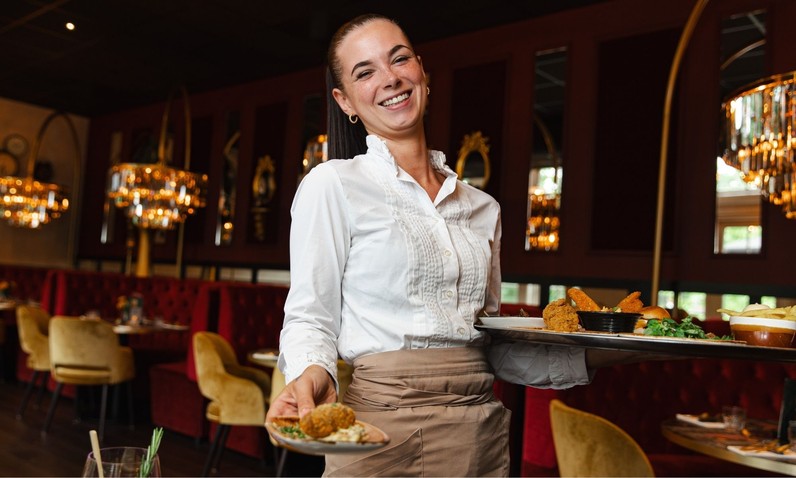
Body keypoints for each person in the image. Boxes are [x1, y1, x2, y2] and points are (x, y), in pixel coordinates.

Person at [267, 13, 646, 476]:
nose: (390, 79)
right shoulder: (332, 185)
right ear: (345, 101)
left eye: (399, 59)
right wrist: (313, 373)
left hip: (477, 428)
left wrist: (613, 344)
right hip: (384, 428)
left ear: (421, 71)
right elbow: (310, 316)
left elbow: (489, 345)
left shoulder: (483, 208)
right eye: (365, 72)